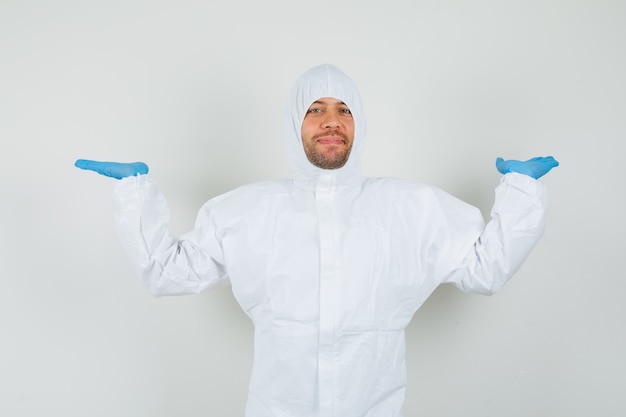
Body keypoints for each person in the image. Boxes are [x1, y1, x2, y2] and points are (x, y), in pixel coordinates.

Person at [75, 64, 558, 417]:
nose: (332, 120)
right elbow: (168, 273)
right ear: (294, 125)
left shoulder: (410, 208)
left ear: (358, 126)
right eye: (316, 109)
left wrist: (521, 190)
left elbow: (484, 269)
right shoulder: (247, 211)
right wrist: (134, 192)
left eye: (344, 110)